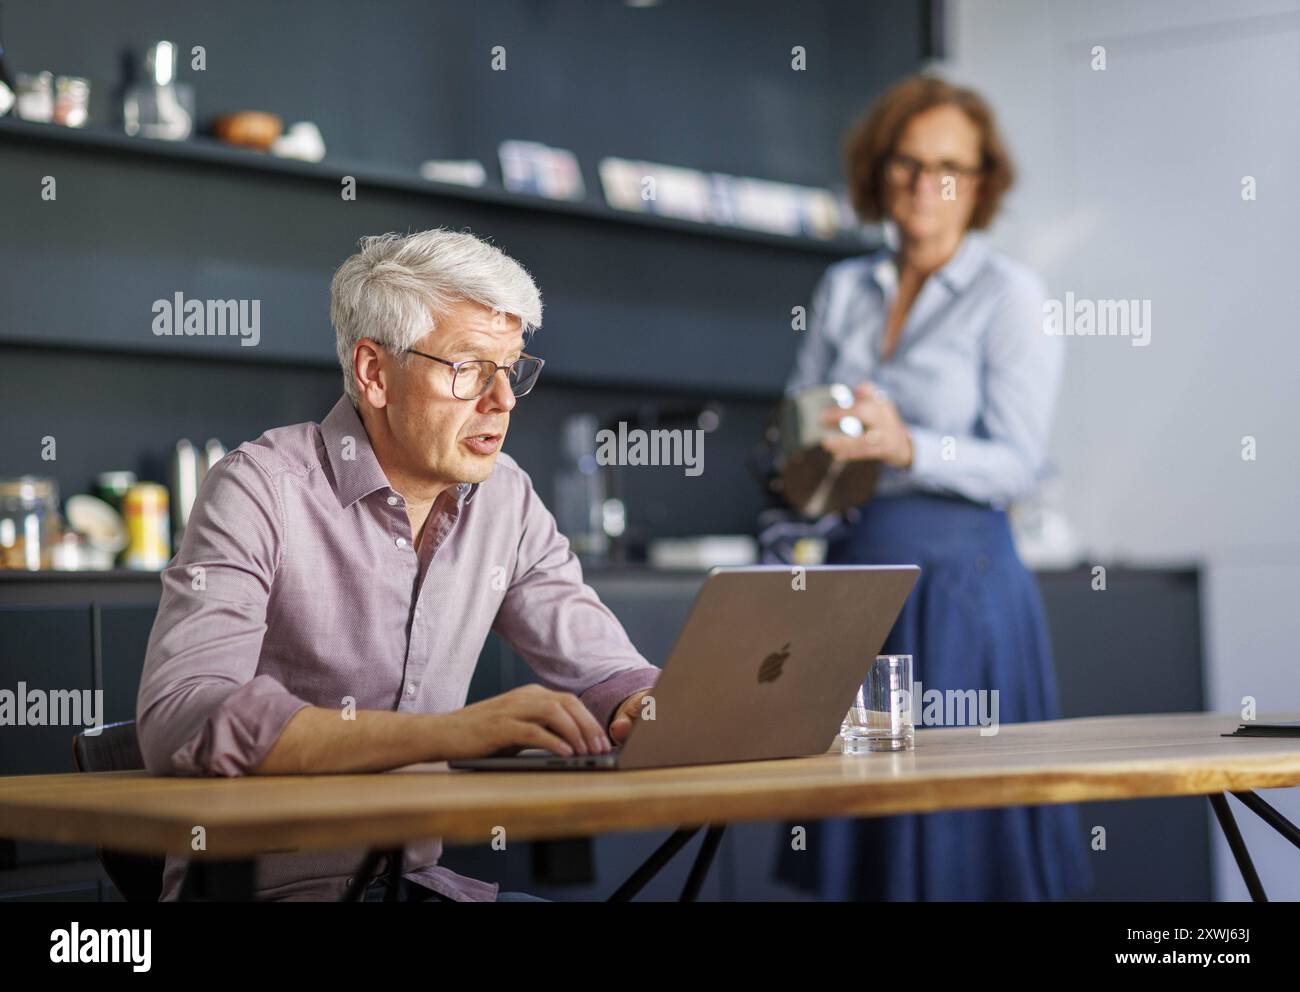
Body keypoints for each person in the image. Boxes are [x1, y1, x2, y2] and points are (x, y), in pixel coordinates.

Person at [137, 229, 660, 902]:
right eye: (470, 367)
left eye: (512, 370)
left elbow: (606, 668)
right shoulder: (260, 487)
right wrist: (448, 735)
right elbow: (182, 718)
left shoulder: (507, 499)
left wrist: (644, 704)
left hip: (416, 886)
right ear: (374, 373)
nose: (502, 402)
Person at [775, 75, 1091, 900]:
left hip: (960, 588)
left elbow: (1021, 461)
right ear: (880, 172)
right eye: (908, 163)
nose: (925, 184)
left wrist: (910, 445)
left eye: (950, 165)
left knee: (960, 841)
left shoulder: (1010, 296)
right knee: (863, 839)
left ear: (982, 183)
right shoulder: (843, 288)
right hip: (850, 580)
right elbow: (797, 432)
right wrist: (807, 462)